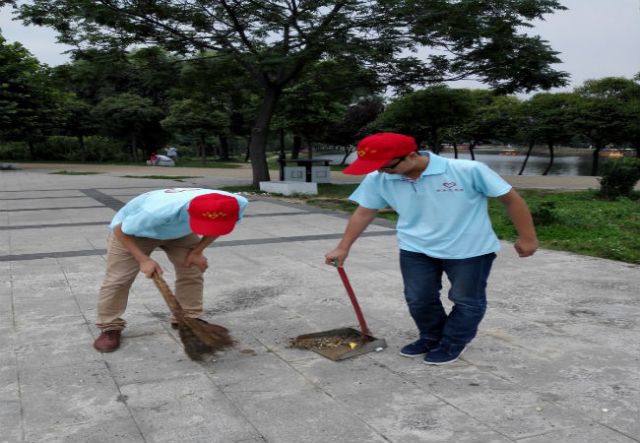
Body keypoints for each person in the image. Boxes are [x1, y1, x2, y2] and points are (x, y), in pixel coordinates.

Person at [325, 133, 538, 365]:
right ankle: (431, 336)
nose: (382, 172)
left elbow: (511, 199)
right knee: (418, 298)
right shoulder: (380, 177)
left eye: (387, 166)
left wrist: (528, 237)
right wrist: (343, 247)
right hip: (415, 248)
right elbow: (365, 211)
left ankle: (453, 341)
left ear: (412, 155)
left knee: (466, 299)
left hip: (470, 249)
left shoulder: (467, 170)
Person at [93, 188, 249, 353]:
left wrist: (197, 252)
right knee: (118, 280)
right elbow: (119, 230)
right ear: (190, 211)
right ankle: (109, 326)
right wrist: (143, 260)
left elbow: (217, 227)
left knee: (192, 270)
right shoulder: (155, 211)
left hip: (179, 232)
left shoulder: (235, 203)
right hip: (134, 233)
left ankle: (188, 319)